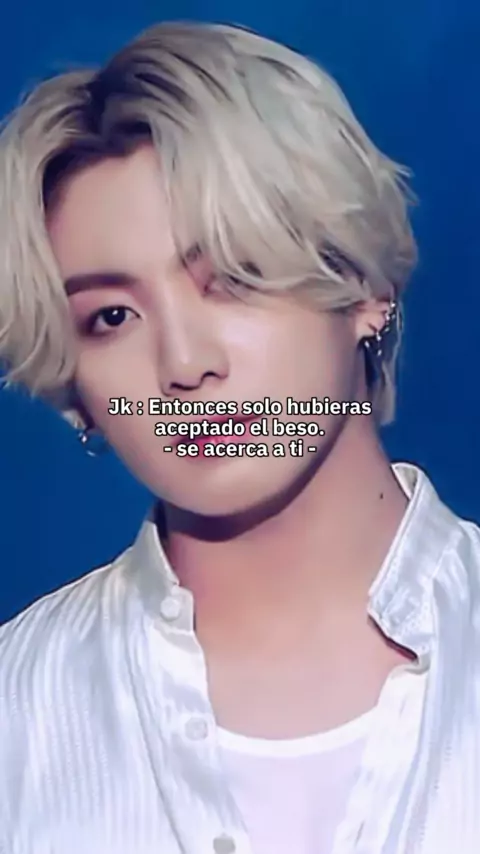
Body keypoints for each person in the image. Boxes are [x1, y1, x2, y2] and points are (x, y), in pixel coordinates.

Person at [0, 20, 479, 854]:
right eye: (112, 317)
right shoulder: (19, 707)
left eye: (231, 277)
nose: (185, 365)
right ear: (77, 390)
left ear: (365, 290)